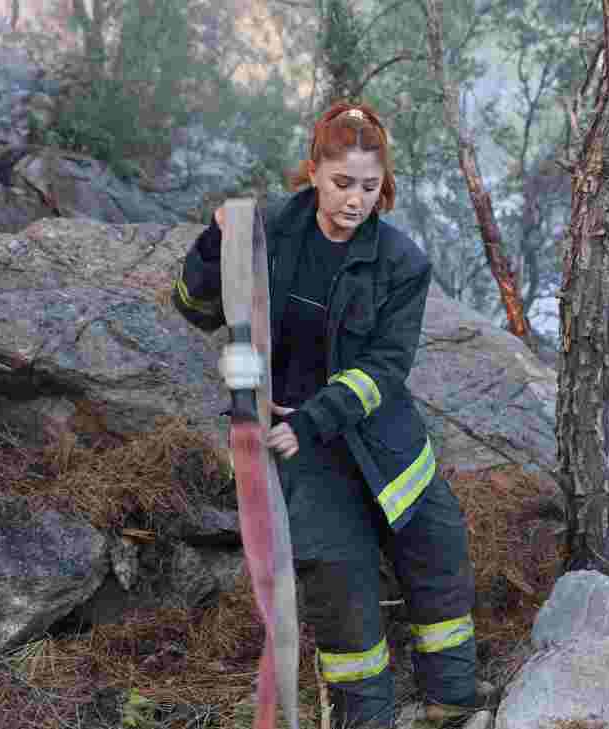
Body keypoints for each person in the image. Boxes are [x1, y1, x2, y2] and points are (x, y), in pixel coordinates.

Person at [172, 102, 495, 728]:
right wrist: (217, 242)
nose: (355, 200)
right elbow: (195, 307)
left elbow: (386, 367)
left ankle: (452, 704)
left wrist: (315, 417)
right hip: (300, 451)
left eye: (369, 187)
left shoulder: (402, 263)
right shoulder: (268, 232)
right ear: (314, 172)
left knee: (436, 548)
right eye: (342, 183)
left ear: (385, 185)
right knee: (340, 582)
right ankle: (366, 719)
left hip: (379, 438)